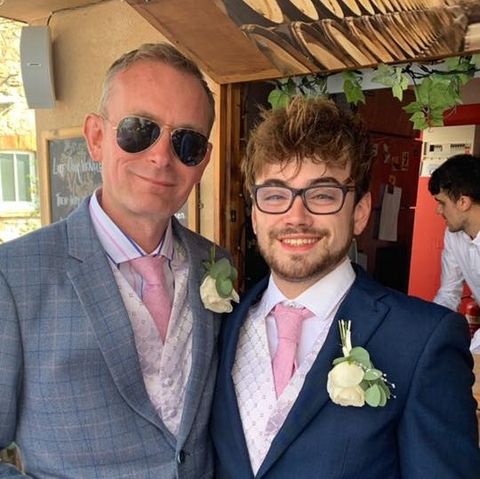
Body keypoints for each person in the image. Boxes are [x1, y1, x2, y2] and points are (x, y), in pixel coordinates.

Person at [210, 96, 480, 478]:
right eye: (275, 195)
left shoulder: (423, 340)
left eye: (322, 194)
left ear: (360, 213)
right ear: (255, 214)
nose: (296, 217)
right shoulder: (219, 327)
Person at [0, 43, 230, 478]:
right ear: (96, 137)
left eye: (187, 142)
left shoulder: (216, 263)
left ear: (202, 162)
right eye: (139, 130)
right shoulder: (13, 277)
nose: (161, 157)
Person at [428, 153, 480, 352]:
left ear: (463, 202)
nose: (438, 211)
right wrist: (428, 331)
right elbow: (449, 294)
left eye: (442, 203)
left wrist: (467, 355)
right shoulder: (453, 236)